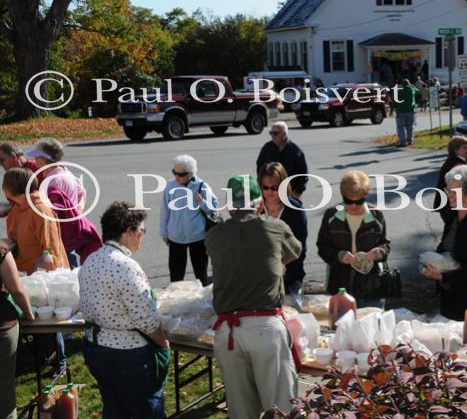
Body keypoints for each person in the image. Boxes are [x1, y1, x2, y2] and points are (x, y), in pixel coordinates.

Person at [206, 175, 302, 419]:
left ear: (229, 205)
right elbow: (295, 251)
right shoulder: (275, 227)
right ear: (259, 203)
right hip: (265, 327)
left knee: (241, 411)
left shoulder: (214, 236)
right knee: (281, 407)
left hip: (227, 331)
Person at [80, 202, 169, 418]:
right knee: (147, 410)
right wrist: (163, 342)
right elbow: (146, 320)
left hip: (96, 348)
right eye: (142, 230)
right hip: (128, 355)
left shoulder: (91, 260)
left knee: (115, 409)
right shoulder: (126, 266)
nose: (142, 235)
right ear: (129, 231)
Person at [422, 165, 467, 320]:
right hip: (449, 293)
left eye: (454, 192)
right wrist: (431, 261)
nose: (449, 196)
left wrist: (443, 277)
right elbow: (445, 245)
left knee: (466, 341)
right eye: (448, 191)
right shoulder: (453, 215)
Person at [317, 170, 391, 308]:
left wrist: (379, 252)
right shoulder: (331, 216)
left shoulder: (377, 215)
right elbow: (323, 247)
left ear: (365, 195)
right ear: (343, 196)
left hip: (371, 282)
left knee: (371, 324)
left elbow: (385, 244)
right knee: (340, 323)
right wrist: (339, 255)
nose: (354, 206)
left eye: (359, 201)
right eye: (349, 201)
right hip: (340, 281)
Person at [160, 155, 218, 286]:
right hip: (175, 236)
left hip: (197, 237)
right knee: (176, 276)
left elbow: (213, 208)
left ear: (191, 173)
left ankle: (203, 302)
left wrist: (201, 202)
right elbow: (165, 210)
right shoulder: (170, 186)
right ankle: (175, 302)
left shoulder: (202, 186)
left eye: (181, 174)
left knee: (201, 274)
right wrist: (164, 232)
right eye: (174, 173)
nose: (177, 177)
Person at [2, 168, 69, 274]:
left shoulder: (40, 211)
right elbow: (15, 241)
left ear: (9, 189)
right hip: (25, 275)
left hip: (43, 279)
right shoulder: (16, 209)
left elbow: (51, 248)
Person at [259, 162, 308, 296]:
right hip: (259, 278)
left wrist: (284, 269)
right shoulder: (255, 208)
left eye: (274, 188)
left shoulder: (296, 211)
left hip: (289, 278)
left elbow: (300, 250)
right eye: (265, 187)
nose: (269, 192)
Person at [0, 251, 34, 419]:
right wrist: (29, 313)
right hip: (2, 325)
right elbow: (17, 290)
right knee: (4, 384)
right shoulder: (1, 250)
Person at [27, 138, 86, 213]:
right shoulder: (65, 171)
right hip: (70, 223)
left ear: (44, 159)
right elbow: (82, 194)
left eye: (36, 157)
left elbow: (53, 212)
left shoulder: (53, 181)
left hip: (61, 224)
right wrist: (77, 214)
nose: (34, 159)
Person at [256, 122, 309, 198]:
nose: (272, 136)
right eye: (271, 133)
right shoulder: (267, 148)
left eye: (275, 133)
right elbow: (260, 167)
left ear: (284, 134)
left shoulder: (295, 150)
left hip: (290, 194)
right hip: (271, 192)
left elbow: (303, 173)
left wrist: (298, 191)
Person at [433, 136, 467, 223]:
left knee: (453, 232)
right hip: (453, 207)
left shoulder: (451, 161)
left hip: (447, 205)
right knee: (457, 233)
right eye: (464, 147)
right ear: (456, 150)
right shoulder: (458, 165)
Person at [391, 78, 419, 147]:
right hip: (411, 111)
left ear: (402, 85)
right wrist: (411, 85)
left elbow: (395, 102)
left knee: (400, 127)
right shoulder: (412, 90)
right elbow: (418, 91)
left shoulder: (399, 92)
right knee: (410, 127)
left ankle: (403, 142)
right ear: (409, 84)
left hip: (401, 111)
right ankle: (410, 141)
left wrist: (391, 110)